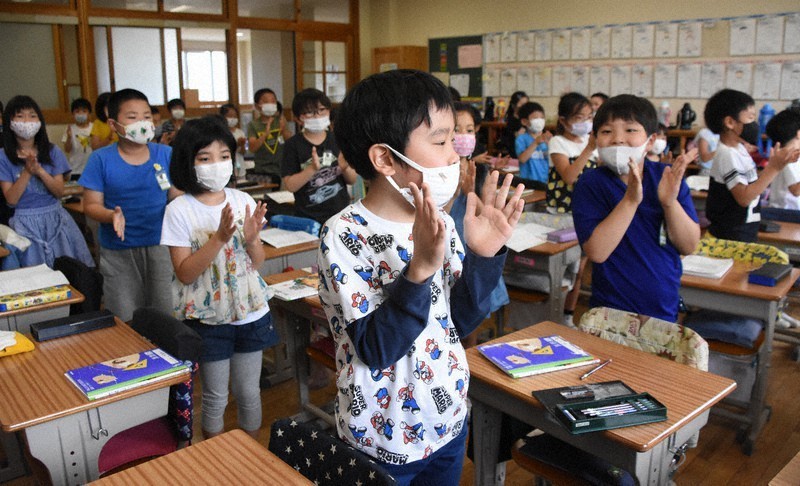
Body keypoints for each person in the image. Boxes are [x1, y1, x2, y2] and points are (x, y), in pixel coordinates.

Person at [324, 68, 524, 484]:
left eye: (453, 141)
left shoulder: (441, 222)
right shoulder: (344, 234)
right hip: (381, 433)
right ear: (385, 159)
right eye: (440, 141)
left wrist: (484, 255)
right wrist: (419, 270)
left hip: (446, 419)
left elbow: (460, 321)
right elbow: (377, 348)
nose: (454, 156)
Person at [161, 116, 277, 440]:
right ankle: (217, 461)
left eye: (224, 156)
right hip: (208, 320)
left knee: (249, 392)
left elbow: (257, 263)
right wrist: (220, 238)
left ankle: (251, 457)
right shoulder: (179, 210)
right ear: (188, 162)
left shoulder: (242, 200)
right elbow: (185, 273)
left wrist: (252, 240)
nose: (217, 164)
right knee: (215, 398)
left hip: (251, 314)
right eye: (205, 158)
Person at [572, 94, 700, 322]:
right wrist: (630, 201)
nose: (618, 140)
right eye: (607, 131)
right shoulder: (590, 183)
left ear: (650, 141)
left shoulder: (667, 178)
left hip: (663, 306)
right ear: (595, 139)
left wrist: (669, 203)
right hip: (610, 310)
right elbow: (597, 252)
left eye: (630, 130)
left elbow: (689, 245)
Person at [79, 88, 179, 322]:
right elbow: (90, 205)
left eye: (146, 116)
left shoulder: (165, 154)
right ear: (113, 124)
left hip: (162, 245)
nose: (142, 123)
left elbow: (176, 196)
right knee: (124, 316)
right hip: (118, 249)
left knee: (166, 314)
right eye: (133, 117)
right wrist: (110, 215)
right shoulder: (100, 159)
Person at [0, 95, 94, 268]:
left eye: (32, 116)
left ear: (40, 121)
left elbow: (59, 192)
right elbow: (11, 200)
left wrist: (39, 171)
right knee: (36, 275)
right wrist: (27, 172)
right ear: (10, 122)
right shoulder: (3, 157)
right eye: (20, 116)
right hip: (25, 224)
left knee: (69, 271)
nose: (27, 121)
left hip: (56, 220)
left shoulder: (52, 151)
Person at [450, 101, 510, 348]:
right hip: (451, 244)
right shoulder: (438, 169)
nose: (463, 135)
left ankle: (471, 351)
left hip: (474, 245)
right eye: (456, 130)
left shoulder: (479, 169)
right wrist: (457, 190)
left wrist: (472, 193)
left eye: (469, 129)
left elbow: (486, 212)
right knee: (454, 308)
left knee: (475, 305)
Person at [704, 89, 800, 242]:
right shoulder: (727, 154)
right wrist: (773, 168)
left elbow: (752, 183)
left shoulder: (739, 149)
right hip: (730, 237)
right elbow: (744, 198)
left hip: (743, 232)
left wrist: (779, 165)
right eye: (750, 118)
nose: (754, 124)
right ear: (730, 122)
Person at [547, 92, 597, 326]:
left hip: (588, 213)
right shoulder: (558, 142)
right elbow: (568, 176)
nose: (586, 123)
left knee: (579, 271)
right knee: (564, 271)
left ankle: (568, 316)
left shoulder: (592, 144)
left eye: (589, 117)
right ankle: (554, 317)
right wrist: (589, 149)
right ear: (564, 120)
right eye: (579, 118)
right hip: (563, 214)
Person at [281, 88, 358, 225]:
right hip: (309, 219)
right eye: (310, 112)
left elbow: (352, 180)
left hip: (340, 216)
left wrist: (345, 168)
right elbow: (290, 186)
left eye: (322, 110)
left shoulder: (338, 139)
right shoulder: (292, 145)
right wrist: (311, 169)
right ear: (298, 119)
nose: (317, 116)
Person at [247, 88, 291, 185]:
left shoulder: (280, 120)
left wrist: (283, 130)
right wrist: (265, 134)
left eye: (273, 101)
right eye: (266, 101)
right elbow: (252, 148)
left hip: (282, 169)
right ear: (257, 106)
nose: (270, 104)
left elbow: (290, 142)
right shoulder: (253, 125)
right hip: (263, 171)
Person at [763, 109, 800, 223]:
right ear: (799, 133)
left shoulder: (791, 154)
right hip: (785, 213)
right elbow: (796, 190)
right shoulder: (788, 155)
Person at [515, 101, 552, 183]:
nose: (540, 121)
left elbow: (552, 161)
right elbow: (522, 159)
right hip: (527, 181)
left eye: (542, 118)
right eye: (535, 118)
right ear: (524, 121)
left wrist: (550, 144)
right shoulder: (521, 138)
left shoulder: (546, 138)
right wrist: (535, 143)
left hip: (544, 180)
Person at [62, 97, 93, 178]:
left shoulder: (94, 128)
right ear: (73, 114)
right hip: (75, 170)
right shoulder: (69, 129)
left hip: (92, 169)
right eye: (77, 111)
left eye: (84, 111)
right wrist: (69, 137)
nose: (80, 114)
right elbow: (67, 150)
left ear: (89, 113)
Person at [220, 103, 247, 180]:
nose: (233, 118)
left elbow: (244, 151)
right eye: (230, 116)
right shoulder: (221, 133)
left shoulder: (240, 132)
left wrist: (242, 145)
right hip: (227, 170)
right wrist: (237, 144)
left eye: (235, 116)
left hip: (240, 168)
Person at [500, 90, 528, 157]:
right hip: (515, 154)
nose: (525, 107)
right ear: (513, 106)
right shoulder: (510, 121)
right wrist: (516, 135)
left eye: (526, 104)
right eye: (521, 104)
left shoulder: (529, 119)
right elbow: (507, 141)